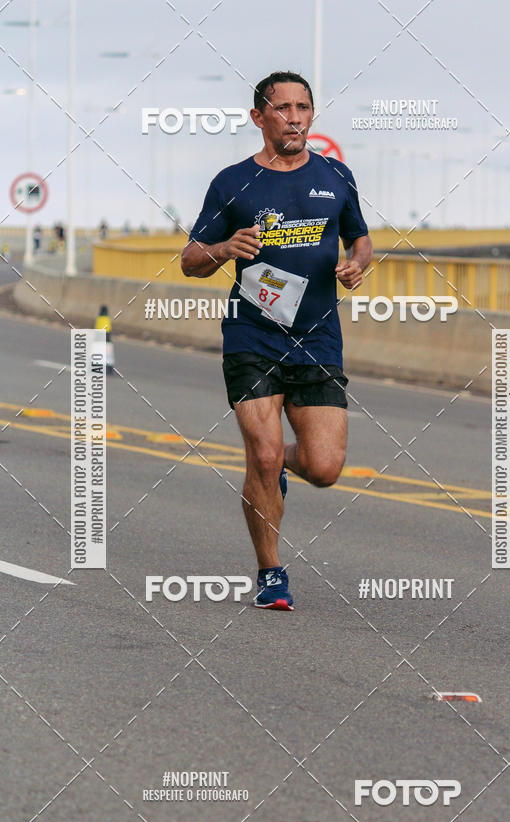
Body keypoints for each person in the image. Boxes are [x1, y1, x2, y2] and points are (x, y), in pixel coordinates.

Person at [181, 71, 372, 611]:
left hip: (318, 337)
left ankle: (273, 469)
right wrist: (224, 247)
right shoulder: (232, 182)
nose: (294, 117)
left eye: (303, 107)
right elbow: (190, 259)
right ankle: (271, 572)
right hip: (253, 334)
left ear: (313, 114)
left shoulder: (336, 175)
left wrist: (357, 264)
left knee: (324, 468)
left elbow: (360, 237)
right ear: (259, 117)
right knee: (262, 453)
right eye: (282, 107)